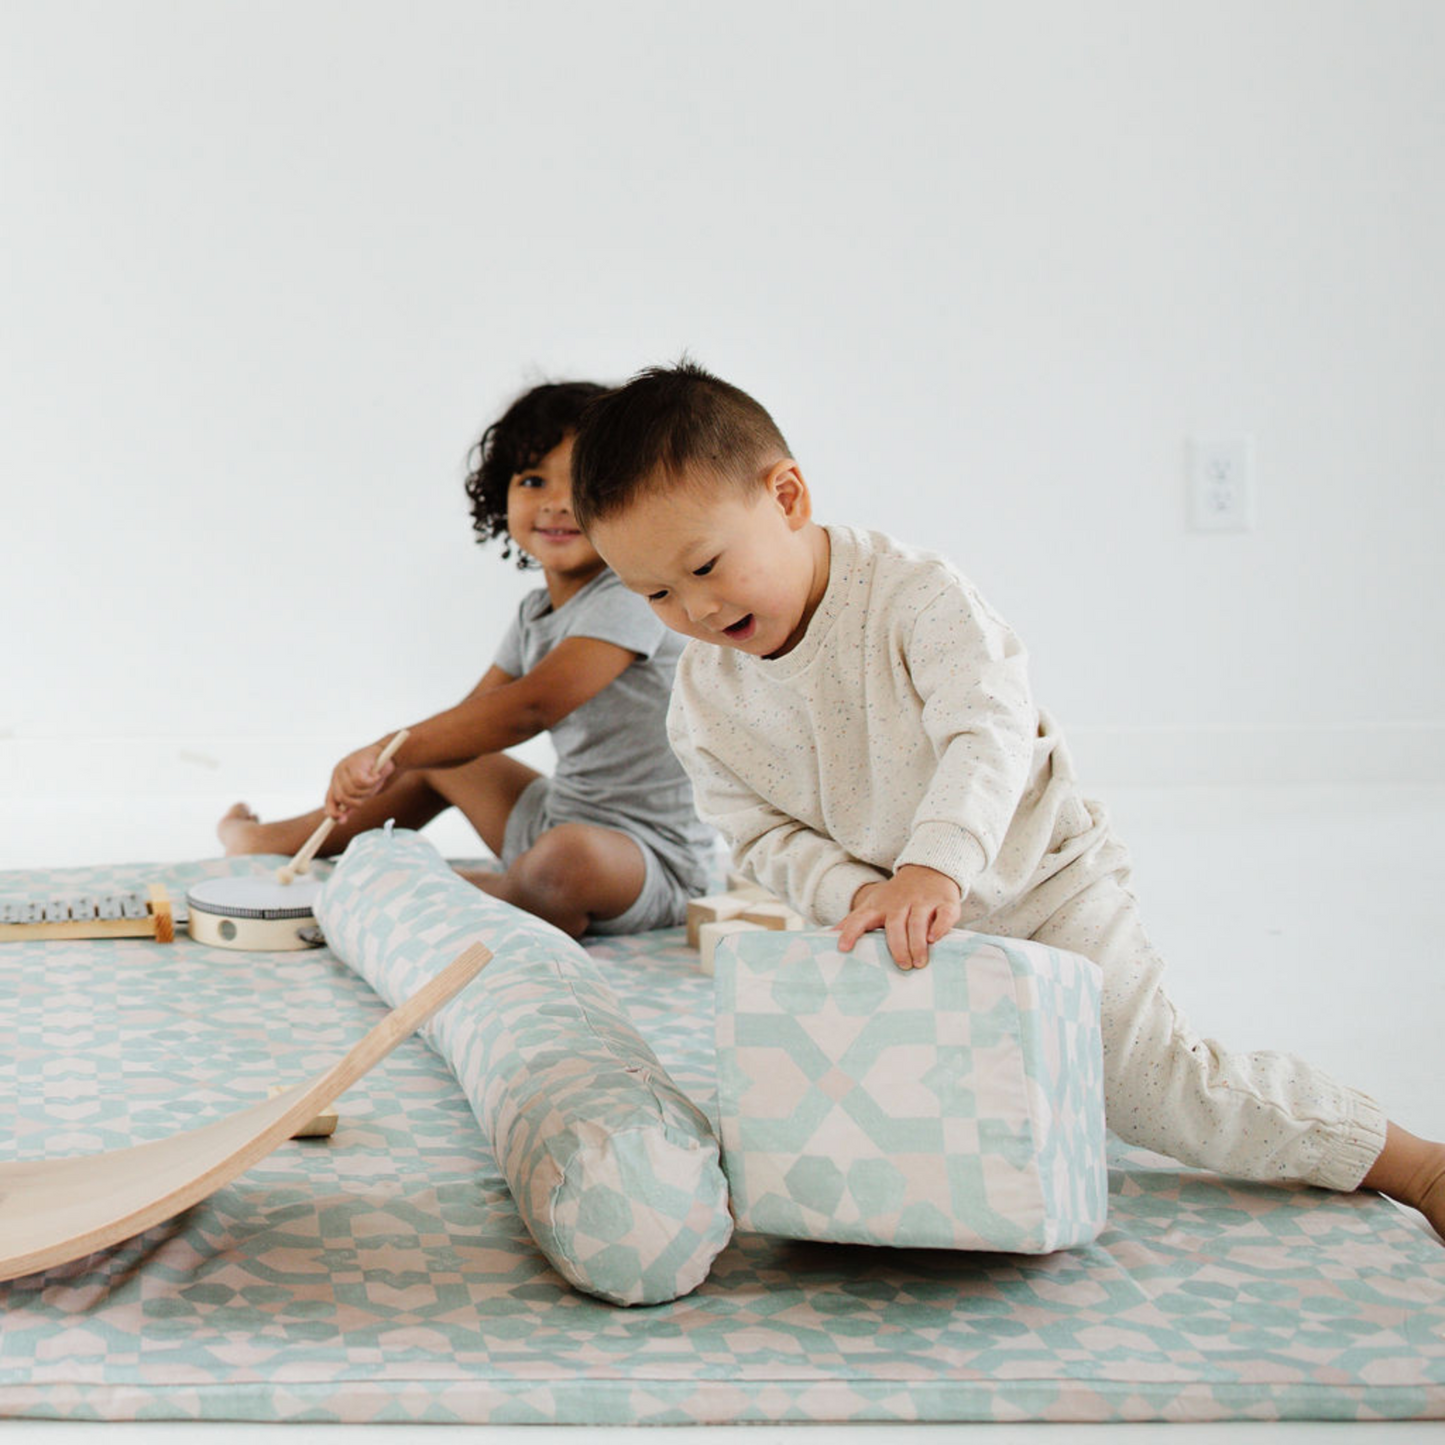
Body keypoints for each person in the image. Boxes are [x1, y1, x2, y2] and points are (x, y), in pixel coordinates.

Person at [569, 359, 1445, 1238]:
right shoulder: (707, 699)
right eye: (654, 594)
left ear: (787, 496)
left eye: (705, 566)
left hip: (1040, 885)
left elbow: (985, 733)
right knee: (847, 1109)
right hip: (895, 925)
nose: (693, 608)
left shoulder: (915, 597)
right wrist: (858, 893)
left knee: (1148, 1086)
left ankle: (1411, 1160)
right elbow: (757, 835)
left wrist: (932, 863)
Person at [219, 380, 714, 938]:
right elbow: (474, 717)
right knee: (439, 753)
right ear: (499, 496)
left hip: (643, 861)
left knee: (562, 859)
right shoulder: (534, 612)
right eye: (532, 480)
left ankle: (478, 894)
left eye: (580, 483)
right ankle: (263, 842)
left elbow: (529, 708)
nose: (555, 502)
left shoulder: (632, 596)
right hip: (556, 820)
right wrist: (396, 757)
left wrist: (389, 747)